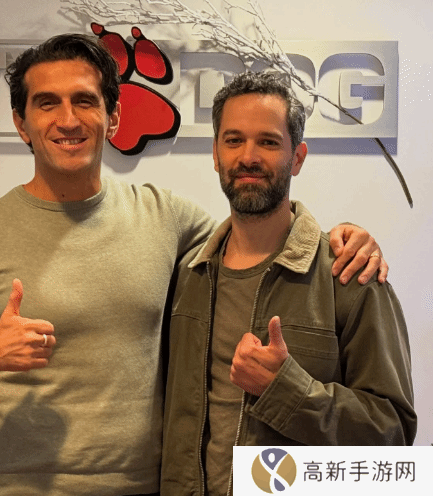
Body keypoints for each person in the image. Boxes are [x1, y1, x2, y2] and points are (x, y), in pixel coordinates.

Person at [0, 34, 386, 496]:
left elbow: (256, 236)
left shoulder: (168, 219)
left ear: (112, 117)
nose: (68, 120)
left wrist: (343, 239)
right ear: (22, 123)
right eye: (47, 103)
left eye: (85, 101)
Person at [160, 71, 417, 496]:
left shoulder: (350, 276)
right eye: (234, 140)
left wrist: (287, 390)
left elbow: (393, 434)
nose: (248, 157)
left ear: (297, 158)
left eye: (268, 142)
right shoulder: (186, 275)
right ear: (215, 153)